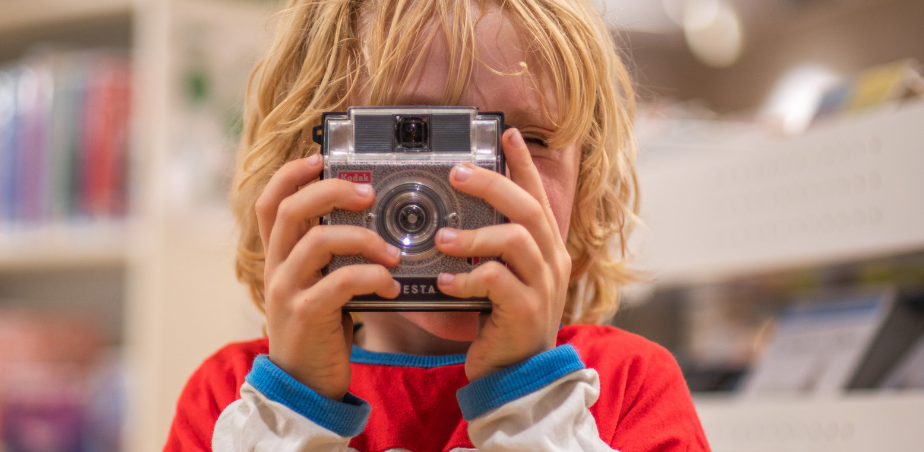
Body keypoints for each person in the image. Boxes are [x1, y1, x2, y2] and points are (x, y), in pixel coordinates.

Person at [165, 0, 711, 450]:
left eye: (532, 142)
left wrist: (532, 406)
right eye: (416, 136)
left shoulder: (628, 388)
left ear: (586, 176)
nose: (471, 183)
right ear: (310, 160)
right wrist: (292, 413)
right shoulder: (231, 401)